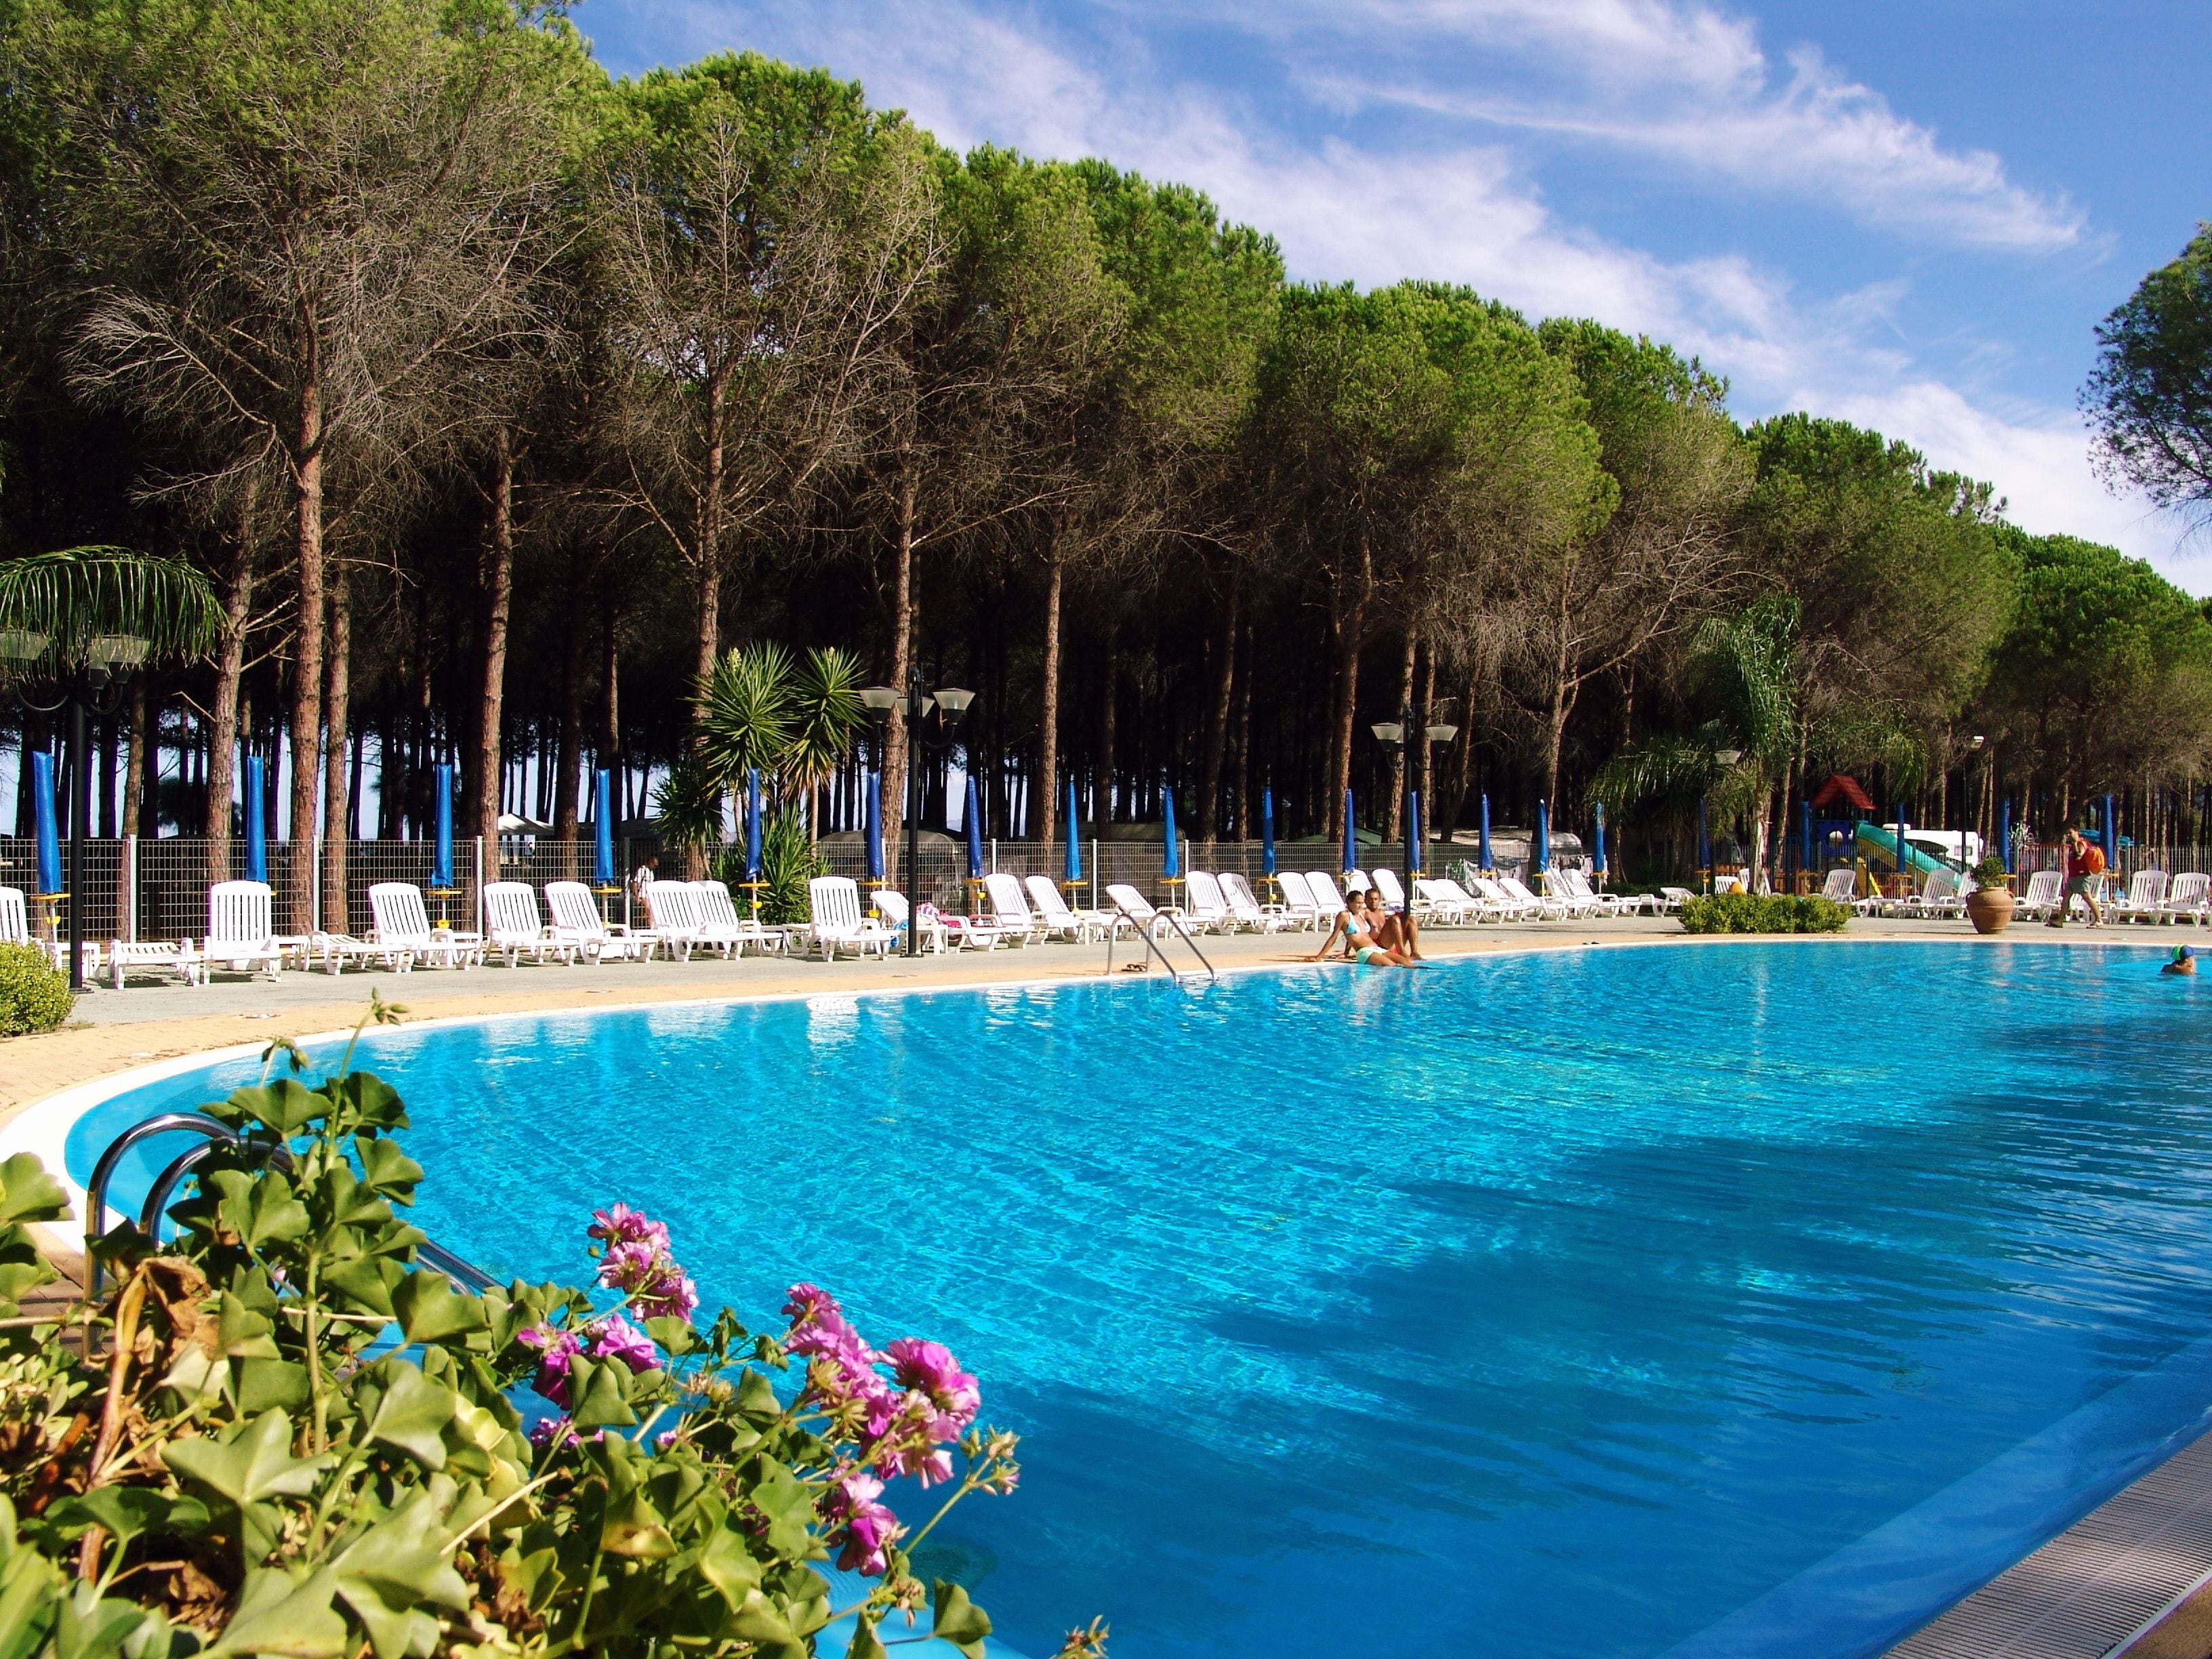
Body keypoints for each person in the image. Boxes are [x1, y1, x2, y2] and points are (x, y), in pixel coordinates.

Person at [1304, 893, 1415, 967]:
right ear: (1349, 902)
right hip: (1364, 952)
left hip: (1378, 949)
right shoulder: (1344, 916)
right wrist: (1319, 957)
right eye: (1358, 903)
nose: (1361, 905)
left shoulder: (1362, 913)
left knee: (1407, 962)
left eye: (1362, 903)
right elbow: (1334, 938)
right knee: (1391, 966)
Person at [2046, 828, 2104, 928]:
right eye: (2067, 833)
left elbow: (2079, 855)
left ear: (2077, 832)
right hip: (2073, 876)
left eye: (2070, 833)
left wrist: (2076, 843)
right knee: (2066, 897)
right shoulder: (2073, 845)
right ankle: (2060, 920)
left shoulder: (2081, 843)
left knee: (2087, 897)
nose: (2068, 835)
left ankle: (2099, 920)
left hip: (2081, 876)